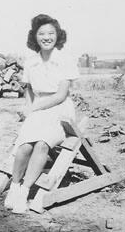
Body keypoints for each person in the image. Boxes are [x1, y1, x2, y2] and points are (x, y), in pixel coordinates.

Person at [4, 14, 79, 213]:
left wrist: (35, 108)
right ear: (35, 37)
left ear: (58, 36)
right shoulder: (31, 62)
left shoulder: (64, 60)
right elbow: (28, 89)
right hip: (37, 108)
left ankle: (24, 192)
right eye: (42, 33)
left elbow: (61, 95)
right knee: (24, 146)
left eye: (51, 33)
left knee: (42, 144)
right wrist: (29, 108)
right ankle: (15, 186)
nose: (47, 37)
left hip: (59, 111)